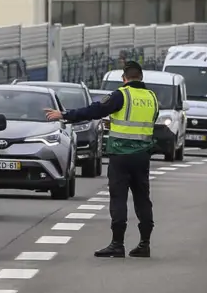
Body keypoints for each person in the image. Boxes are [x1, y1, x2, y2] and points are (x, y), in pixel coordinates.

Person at [46, 61, 157, 258]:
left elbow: (94, 110)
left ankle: (117, 244)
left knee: (118, 198)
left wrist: (65, 115)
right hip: (142, 157)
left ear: (124, 79)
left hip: (120, 155)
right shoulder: (152, 97)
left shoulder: (121, 94)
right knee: (142, 199)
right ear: (141, 77)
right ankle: (145, 243)